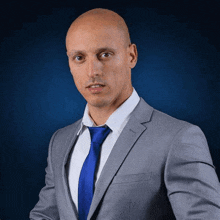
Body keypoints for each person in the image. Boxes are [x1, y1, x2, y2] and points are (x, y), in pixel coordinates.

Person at [29, 8, 220, 220]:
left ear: (131, 56)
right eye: (79, 57)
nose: (93, 71)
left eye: (105, 54)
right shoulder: (60, 142)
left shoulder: (179, 138)